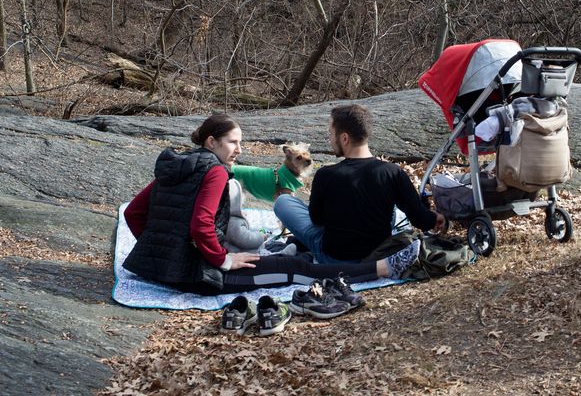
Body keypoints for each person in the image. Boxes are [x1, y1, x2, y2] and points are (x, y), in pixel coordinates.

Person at [122, 114, 420, 296]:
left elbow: (134, 213)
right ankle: (380, 269)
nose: (239, 150)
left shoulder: (179, 163)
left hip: (156, 269)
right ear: (211, 142)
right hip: (200, 276)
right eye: (232, 142)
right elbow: (200, 225)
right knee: (294, 269)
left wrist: (159, 251)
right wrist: (222, 260)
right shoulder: (214, 171)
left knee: (293, 259)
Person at [274, 104, 445, 263]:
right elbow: (420, 218)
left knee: (283, 202)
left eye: (331, 134)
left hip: (333, 257)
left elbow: (316, 220)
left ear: (345, 138)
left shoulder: (325, 175)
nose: (330, 139)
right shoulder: (393, 172)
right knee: (388, 201)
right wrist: (435, 219)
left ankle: (302, 245)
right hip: (378, 254)